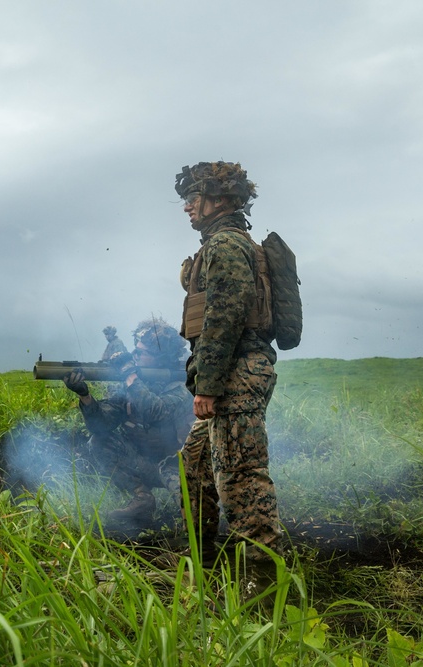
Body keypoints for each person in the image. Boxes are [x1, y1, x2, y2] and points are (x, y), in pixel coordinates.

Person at [175, 161, 282, 557]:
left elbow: (225, 316)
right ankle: (202, 562)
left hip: (236, 376)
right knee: (197, 461)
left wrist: (207, 386)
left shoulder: (225, 245)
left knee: (243, 484)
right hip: (233, 375)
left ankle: (262, 590)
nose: (187, 206)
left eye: (193, 198)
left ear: (216, 200)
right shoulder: (223, 243)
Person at [63, 318, 194, 534]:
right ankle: (142, 498)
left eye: (142, 352)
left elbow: (156, 411)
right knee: (100, 441)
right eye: (136, 350)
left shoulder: (181, 387)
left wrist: (130, 375)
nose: (135, 355)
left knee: (196, 515)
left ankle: (202, 526)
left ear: (161, 359)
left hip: (179, 467)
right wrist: (84, 395)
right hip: (146, 463)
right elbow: (101, 426)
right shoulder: (132, 384)